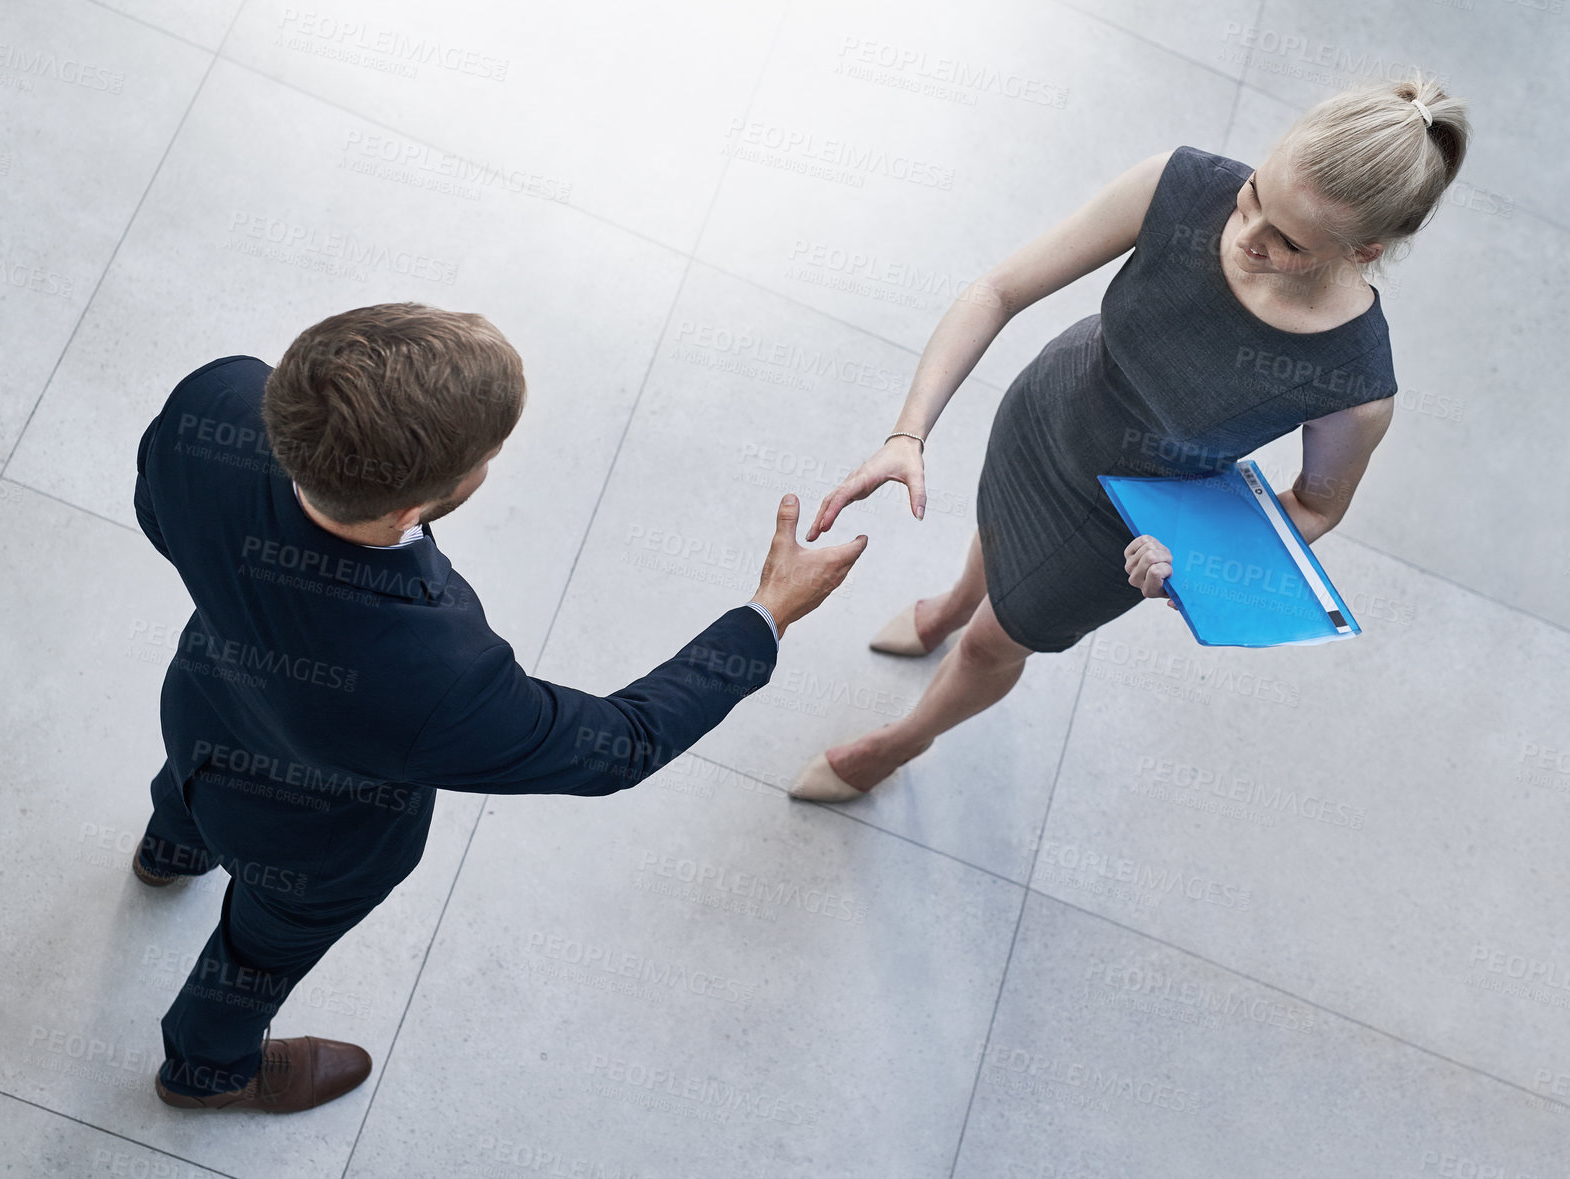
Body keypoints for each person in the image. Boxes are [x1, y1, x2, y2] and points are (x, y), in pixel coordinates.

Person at [131, 305, 865, 1112]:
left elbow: (158, 515)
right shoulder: (436, 679)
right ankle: (206, 1068)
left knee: (188, 792)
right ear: (412, 510)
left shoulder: (218, 399)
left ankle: (169, 851)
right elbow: (621, 744)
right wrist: (767, 614)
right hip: (308, 844)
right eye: (488, 456)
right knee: (257, 952)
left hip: (202, 704)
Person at [790, 71, 1469, 801]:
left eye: (1288, 242)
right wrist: (909, 433)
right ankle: (952, 605)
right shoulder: (1174, 185)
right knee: (994, 531)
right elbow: (998, 290)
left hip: (1115, 524)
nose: (1246, 238)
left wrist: (1195, 570)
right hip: (1044, 416)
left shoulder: (1355, 383)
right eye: (1253, 198)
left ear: (1364, 251)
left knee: (996, 643)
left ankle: (897, 745)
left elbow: (1316, 506)